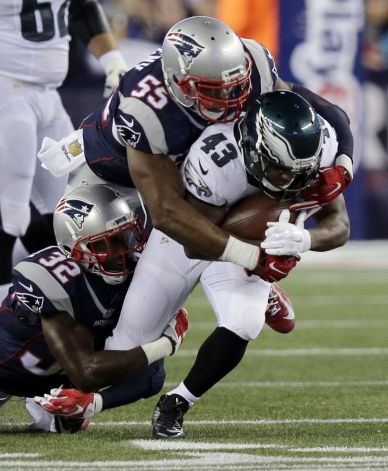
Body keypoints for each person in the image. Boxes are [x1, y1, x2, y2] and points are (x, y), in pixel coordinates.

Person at [34, 91, 350, 439]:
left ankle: (178, 403)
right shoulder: (216, 160)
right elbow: (195, 243)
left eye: (297, 173)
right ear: (253, 144)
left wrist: (304, 239)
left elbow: (339, 221)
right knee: (125, 349)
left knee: (243, 323)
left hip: (245, 239)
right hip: (189, 235)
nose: (289, 181)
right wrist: (257, 258)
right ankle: (85, 399)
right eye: (279, 169)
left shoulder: (320, 150)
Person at [38, 15, 354, 277]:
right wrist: (252, 257)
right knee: (118, 265)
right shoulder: (145, 110)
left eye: (237, 86)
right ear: (179, 82)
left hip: (177, 162)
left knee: (251, 176)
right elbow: (167, 214)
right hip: (112, 176)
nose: (232, 101)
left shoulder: (252, 58)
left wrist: (343, 165)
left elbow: (321, 108)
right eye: (215, 91)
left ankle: (246, 290)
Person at [0, 183, 188, 433]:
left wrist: (93, 403)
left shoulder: (136, 277)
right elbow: (86, 373)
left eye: (125, 237)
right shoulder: (52, 279)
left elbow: (149, 378)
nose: (122, 252)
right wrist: (166, 343)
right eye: (106, 244)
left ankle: (50, 402)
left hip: (38, 381)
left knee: (149, 375)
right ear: (73, 249)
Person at [0, 0, 129, 316]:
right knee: (5, 219)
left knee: (68, 214)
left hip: (48, 94)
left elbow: (82, 7)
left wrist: (112, 60)